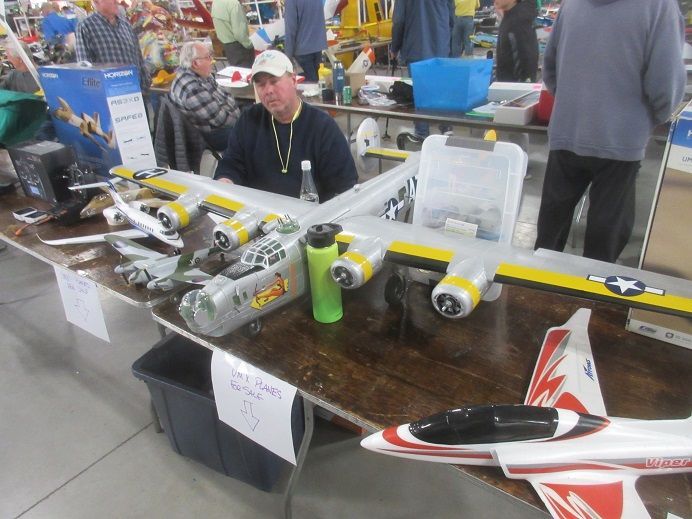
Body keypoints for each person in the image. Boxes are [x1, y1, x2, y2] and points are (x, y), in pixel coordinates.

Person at [534, 0, 685, 263]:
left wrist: (573, 102)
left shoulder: (571, 5)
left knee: (550, 230)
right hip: (621, 137)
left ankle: (536, 283)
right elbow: (665, 80)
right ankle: (593, 287)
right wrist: (653, 117)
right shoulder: (658, 6)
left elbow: (550, 67)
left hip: (568, 129)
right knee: (605, 239)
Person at [215, 50, 358, 201]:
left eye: (274, 81)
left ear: (294, 81)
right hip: (257, 209)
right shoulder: (248, 120)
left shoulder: (322, 127)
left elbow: (344, 186)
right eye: (261, 84)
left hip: (310, 213)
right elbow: (231, 164)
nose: (268, 90)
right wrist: (225, 180)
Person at [390, 0, 454, 143]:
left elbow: (399, 20)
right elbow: (451, 17)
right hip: (440, 47)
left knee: (421, 95)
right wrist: (445, 40)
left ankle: (422, 136)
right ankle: (447, 129)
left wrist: (395, 47)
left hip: (416, 48)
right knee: (441, 91)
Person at [169, 42, 241, 151]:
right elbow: (220, 120)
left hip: (219, 122)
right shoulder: (192, 88)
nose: (212, 60)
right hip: (209, 134)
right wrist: (243, 122)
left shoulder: (200, 73)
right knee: (253, 132)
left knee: (255, 113)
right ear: (195, 63)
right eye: (208, 57)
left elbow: (225, 95)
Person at [75, 0, 151, 93]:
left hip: (134, 92)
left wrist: (145, 85)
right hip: (108, 94)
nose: (116, 1)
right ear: (96, 1)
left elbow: (139, 59)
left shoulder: (126, 26)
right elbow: (84, 68)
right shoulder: (86, 26)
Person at [494, 0, 538, 82]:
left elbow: (526, 59)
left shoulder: (518, 21)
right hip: (507, 84)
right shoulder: (511, 15)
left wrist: (523, 83)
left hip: (514, 86)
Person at [283, 0, 327, 82]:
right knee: (319, 83)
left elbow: (290, 29)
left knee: (309, 86)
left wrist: (287, 57)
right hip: (318, 46)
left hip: (302, 50)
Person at [211, 0, 255, 67]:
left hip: (227, 46)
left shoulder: (216, 2)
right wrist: (250, 45)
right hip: (239, 47)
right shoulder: (234, 4)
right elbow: (239, 34)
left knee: (237, 71)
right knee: (246, 71)